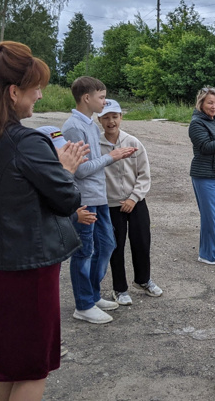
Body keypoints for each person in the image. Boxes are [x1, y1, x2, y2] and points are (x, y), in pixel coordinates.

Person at [0, 41, 89, 400]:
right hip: (26, 271)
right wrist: (65, 168)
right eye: (35, 88)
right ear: (14, 92)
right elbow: (67, 200)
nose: (40, 95)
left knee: (8, 370)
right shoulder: (25, 142)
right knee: (33, 370)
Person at [62, 77, 137, 324]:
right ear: (87, 98)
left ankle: (93, 295)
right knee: (84, 252)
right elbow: (80, 170)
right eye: (101, 97)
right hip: (85, 199)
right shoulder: (74, 126)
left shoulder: (91, 125)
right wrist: (112, 157)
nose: (104, 102)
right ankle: (83, 304)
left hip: (99, 197)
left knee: (106, 245)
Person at [98, 99, 163, 305]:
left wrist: (134, 197)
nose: (111, 122)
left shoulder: (133, 143)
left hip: (135, 202)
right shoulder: (96, 145)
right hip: (110, 204)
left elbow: (144, 174)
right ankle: (120, 288)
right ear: (99, 119)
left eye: (115, 117)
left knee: (142, 241)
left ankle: (143, 280)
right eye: (106, 118)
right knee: (115, 247)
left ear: (121, 118)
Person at [188, 86, 215, 265]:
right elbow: (205, 147)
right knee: (210, 217)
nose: (214, 106)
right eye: (210, 103)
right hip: (205, 176)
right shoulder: (196, 123)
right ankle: (207, 254)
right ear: (201, 103)